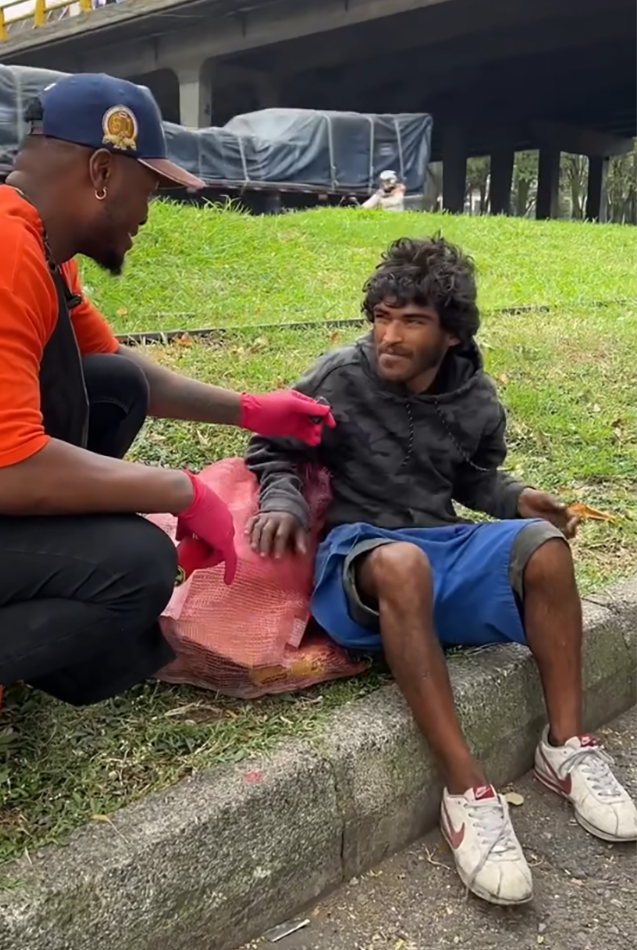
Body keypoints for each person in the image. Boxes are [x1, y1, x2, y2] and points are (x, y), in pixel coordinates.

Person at [0, 72, 334, 819]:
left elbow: (124, 378)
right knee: (134, 568)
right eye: (148, 188)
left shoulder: (33, 245)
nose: (147, 213)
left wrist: (256, 411)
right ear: (100, 171)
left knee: (109, 384)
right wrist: (180, 489)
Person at [244, 234, 637, 907]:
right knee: (401, 563)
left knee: (543, 546)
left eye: (412, 321)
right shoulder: (339, 376)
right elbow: (271, 446)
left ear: (451, 333)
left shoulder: (476, 394)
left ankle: (566, 748)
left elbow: (475, 479)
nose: (389, 336)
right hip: (360, 561)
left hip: (437, 546)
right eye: (382, 317)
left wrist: (520, 501)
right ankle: (467, 789)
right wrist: (281, 502)